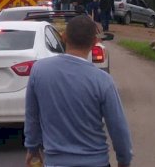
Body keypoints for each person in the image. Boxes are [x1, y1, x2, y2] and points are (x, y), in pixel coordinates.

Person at [24, 15, 133, 167]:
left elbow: (32, 116)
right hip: (96, 162)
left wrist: (32, 148)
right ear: (95, 42)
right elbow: (118, 128)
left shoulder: (39, 71)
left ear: (63, 37)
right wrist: (124, 160)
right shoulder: (103, 80)